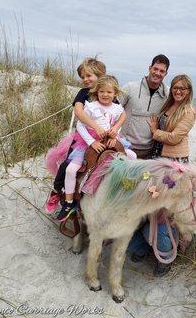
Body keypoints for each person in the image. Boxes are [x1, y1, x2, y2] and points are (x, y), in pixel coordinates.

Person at [128, 74, 196, 276]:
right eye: (175, 87)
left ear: (189, 91)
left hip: (174, 165)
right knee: (147, 206)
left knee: (163, 212)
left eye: (183, 89)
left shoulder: (189, 111)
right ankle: (142, 246)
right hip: (157, 159)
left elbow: (175, 138)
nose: (178, 91)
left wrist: (155, 131)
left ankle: (165, 255)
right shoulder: (168, 106)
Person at [54, 75, 136, 222]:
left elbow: (119, 121)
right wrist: (92, 142)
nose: (105, 95)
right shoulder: (91, 107)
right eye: (102, 91)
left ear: (115, 94)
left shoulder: (117, 108)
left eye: (109, 92)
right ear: (96, 92)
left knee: (132, 156)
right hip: (89, 144)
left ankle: (124, 190)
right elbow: (80, 125)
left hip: (109, 143)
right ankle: (69, 202)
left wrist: (114, 135)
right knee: (70, 169)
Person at [45, 57, 107, 214]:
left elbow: (117, 112)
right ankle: (56, 190)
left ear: (100, 75)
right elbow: (78, 112)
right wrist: (95, 126)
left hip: (103, 138)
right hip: (83, 136)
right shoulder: (83, 93)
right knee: (68, 164)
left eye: (89, 75)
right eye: (83, 77)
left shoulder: (106, 92)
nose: (85, 80)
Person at [120, 54, 170, 159]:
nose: (157, 73)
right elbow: (112, 107)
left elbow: (181, 102)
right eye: (155, 69)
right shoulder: (130, 88)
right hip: (124, 148)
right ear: (149, 68)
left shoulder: (167, 94)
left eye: (162, 71)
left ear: (166, 74)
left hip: (149, 151)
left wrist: (190, 108)